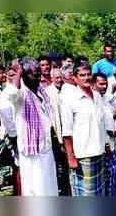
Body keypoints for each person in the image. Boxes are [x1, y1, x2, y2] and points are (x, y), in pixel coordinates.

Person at [6, 57, 58, 196]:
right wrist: (18, 73)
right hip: (32, 152)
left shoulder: (41, 91)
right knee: (36, 189)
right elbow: (11, 93)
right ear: (23, 75)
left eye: (38, 74)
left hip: (45, 148)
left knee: (49, 187)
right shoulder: (21, 95)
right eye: (33, 74)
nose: (37, 77)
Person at [60, 63, 111, 196]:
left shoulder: (97, 96)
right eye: (82, 75)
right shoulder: (69, 99)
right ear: (74, 78)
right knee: (86, 195)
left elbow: (101, 123)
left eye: (88, 74)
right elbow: (66, 132)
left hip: (99, 152)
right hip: (83, 156)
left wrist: (106, 144)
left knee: (100, 193)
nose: (86, 78)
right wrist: (71, 157)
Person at [93, 72, 116, 196]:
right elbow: (101, 126)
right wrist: (112, 135)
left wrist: (115, 115)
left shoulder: (105, 98)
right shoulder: (93, 101)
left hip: (111, 143)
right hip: (104, 146)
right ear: (94, 84)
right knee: (105, 178)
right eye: (101, 84)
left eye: (106, 84)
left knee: (112, 176)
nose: (104, 86)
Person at [46, 68, 70, 196]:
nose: (59, 80)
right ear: (51, 78)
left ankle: (68, 189)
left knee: (67, 164)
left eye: (61, 77)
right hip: (55, 134)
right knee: (57, 165)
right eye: (57, 78)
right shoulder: (48, 92)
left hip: (68, 132)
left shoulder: (67, 90)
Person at [0, 61, 21, 195]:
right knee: (18, 166)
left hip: (21, 135)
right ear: (7, 76)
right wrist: (14, 136)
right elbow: (8, 119)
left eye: (16, 74)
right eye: (11, 75)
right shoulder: (6, 94)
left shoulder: (18, 91)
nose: (13, 78)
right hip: (15, 135)